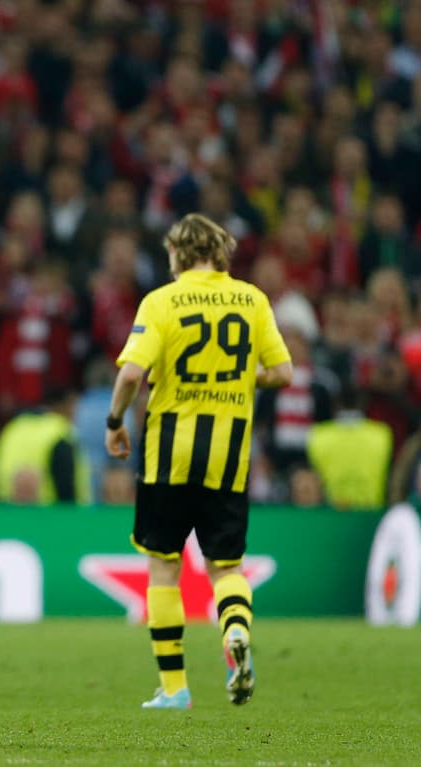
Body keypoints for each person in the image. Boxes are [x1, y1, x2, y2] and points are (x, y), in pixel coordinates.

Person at [105, 213, 292, 710]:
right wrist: (235, 381)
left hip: (169, 453)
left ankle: (174, 689)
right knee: (226, 567)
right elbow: (283, 371)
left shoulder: (162, 301)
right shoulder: (253, 299)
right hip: (228, 456)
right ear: (221, 252)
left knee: (163, 568)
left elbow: (131, 376)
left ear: (176, 255)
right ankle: (234, 631)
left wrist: (114, 421)